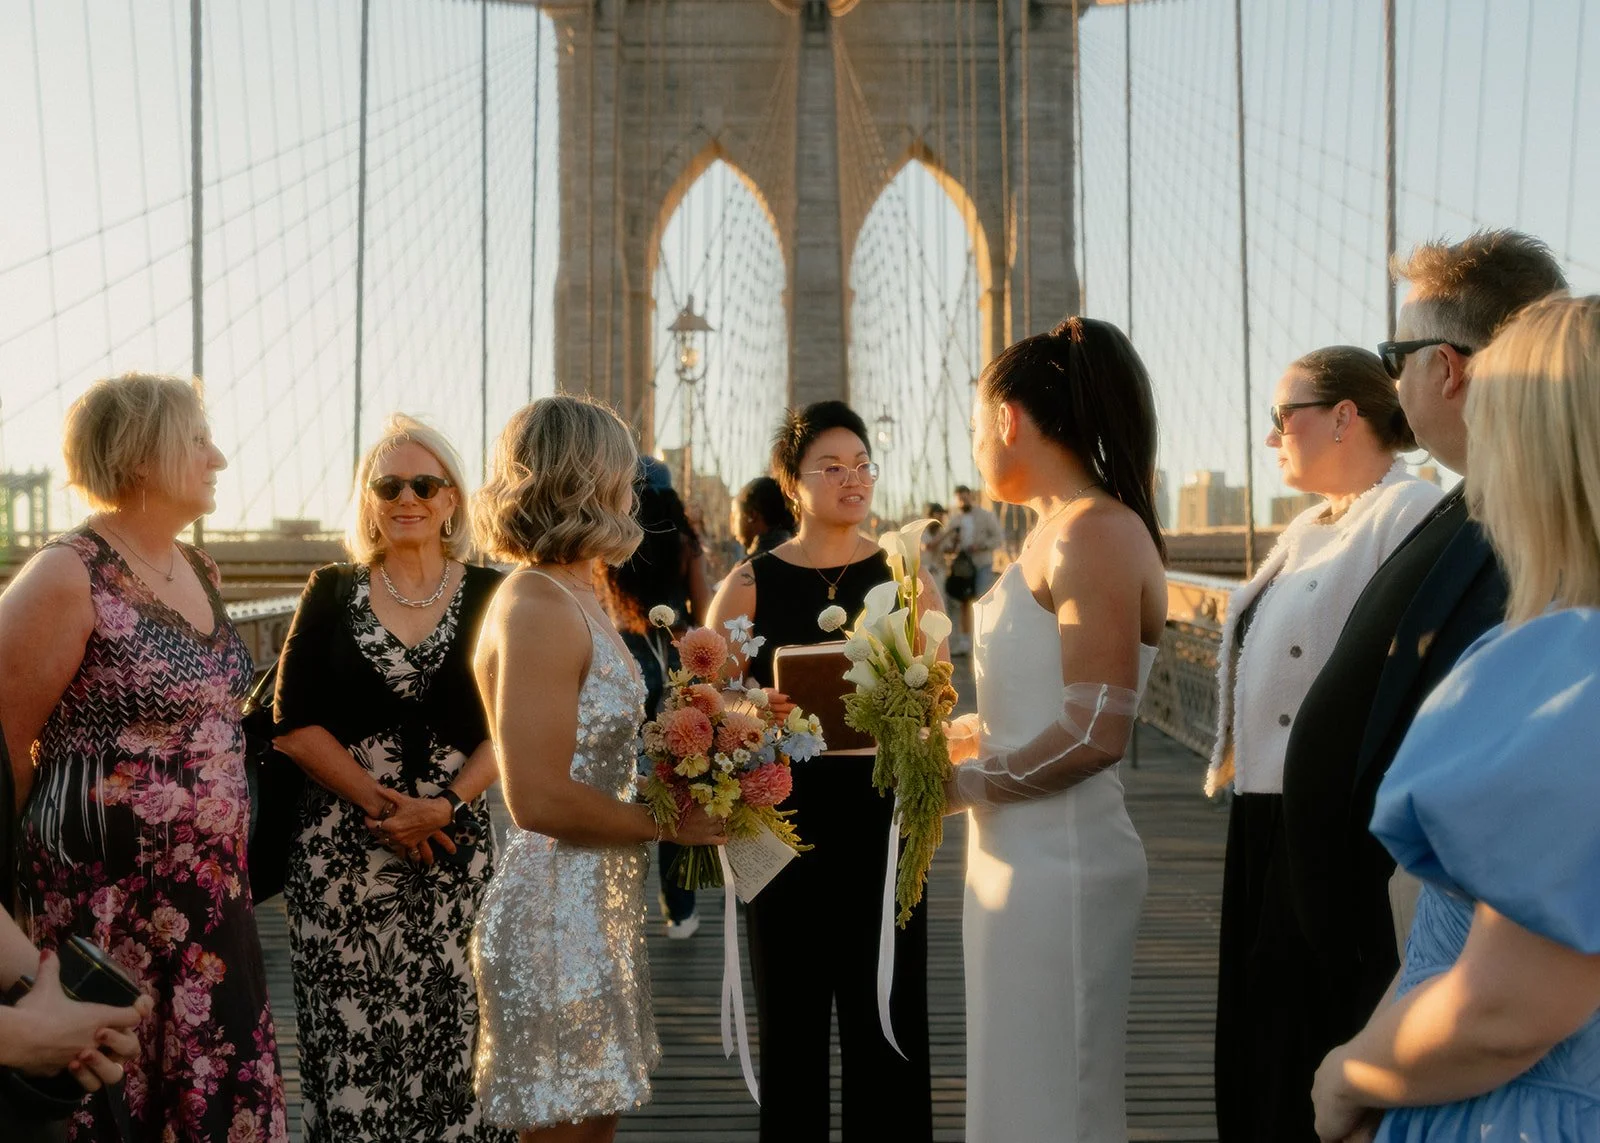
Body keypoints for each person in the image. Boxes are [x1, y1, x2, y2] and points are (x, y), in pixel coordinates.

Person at [1277, 231, 1568, 1139]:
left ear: (1448, 367)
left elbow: (1518, 993)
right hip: (1410, 1004)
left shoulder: (1557, 619)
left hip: (1460, 1043)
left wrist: (1358, 1068)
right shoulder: (1474, 517)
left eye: (1393, 359)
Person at [0, 373, 287, 1142]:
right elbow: (2, 755)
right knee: (113, 1107)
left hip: (214, 909)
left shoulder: (201, 567)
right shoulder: (68, 574)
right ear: (139, 457)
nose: (218, 457)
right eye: (197, 441)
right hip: (105, 913)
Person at [470, 395, 724, 1142]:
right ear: (585, 477)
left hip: (595, 909)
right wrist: (672, 823)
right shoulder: (538, 605)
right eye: (623, 469)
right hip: (553, 918)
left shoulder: (579, 589)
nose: (634, 489)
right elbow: (538, 796)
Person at [1203, 347, 1441, 1141]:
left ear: (1344, 416)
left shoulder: (1407, 511)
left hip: (1331, 824)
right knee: (1256, 1033)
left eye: (1283, 416)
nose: (1271, 438)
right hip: (1262, 812)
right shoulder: (1311, 525)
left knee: (1298, 1037)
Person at [940, 316, 1166, 1143]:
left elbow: (1093, 732)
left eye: (975, 425)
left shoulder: (1094, 532)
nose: (974, 445)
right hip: (1016, 857)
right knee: (1017, 1088)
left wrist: (955, 787)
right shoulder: (1054, 529)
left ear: (1008, 419)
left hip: (1061, 864)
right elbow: (1038, 705)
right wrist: (957, 737)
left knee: (1054, 1100)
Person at [706, 400, 941, 1143]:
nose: (853, 479)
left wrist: (911, 702)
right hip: (779, 827)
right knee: (793, 1030)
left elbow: (939, 695)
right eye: (831, 467)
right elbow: (703, 699)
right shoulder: (749, 582)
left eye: (863, 464)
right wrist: (751, 711)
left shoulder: (905, 577)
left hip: (884, 826)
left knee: (889, 1022)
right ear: (793, 483)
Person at [269, 415, 510, 1143]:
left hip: (457, 857)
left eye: (424, 483)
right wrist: (391, 809)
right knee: (351, 1062)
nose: (407, 496)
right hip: (340, 862)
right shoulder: (329, 589)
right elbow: (292, 722)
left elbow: (513, 719)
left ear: (451, 500)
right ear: (370, 500)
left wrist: (440, 806)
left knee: (459, 1051)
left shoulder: (499, 593)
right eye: (388, 484)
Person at [596, 479, 708, 938]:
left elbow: (601, 609)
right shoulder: (685, 545)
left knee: (623, 780)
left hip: (624, 653)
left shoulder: (610, 546)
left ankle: (614, 906)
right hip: (677, 652)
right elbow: (704, 608)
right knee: (679, 780)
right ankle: (679, 911)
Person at [942, 483, 1004, 654]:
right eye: (959, 499)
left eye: (965, 497)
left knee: (982, 599)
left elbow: (998, 538)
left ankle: (985, 639)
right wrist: (953, 543)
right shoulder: (954, 520)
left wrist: (981, 546)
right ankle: (965, 641)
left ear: (970, 496)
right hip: (963, 567)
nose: (963, 501)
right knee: (964, 603)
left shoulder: (985, 515)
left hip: (982, 563)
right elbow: (947, 544)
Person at [731, 476, 795, 557]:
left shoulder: (749, 567)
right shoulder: (803, 557)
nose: (732, 528)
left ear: (752, 515)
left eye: (735, 516)